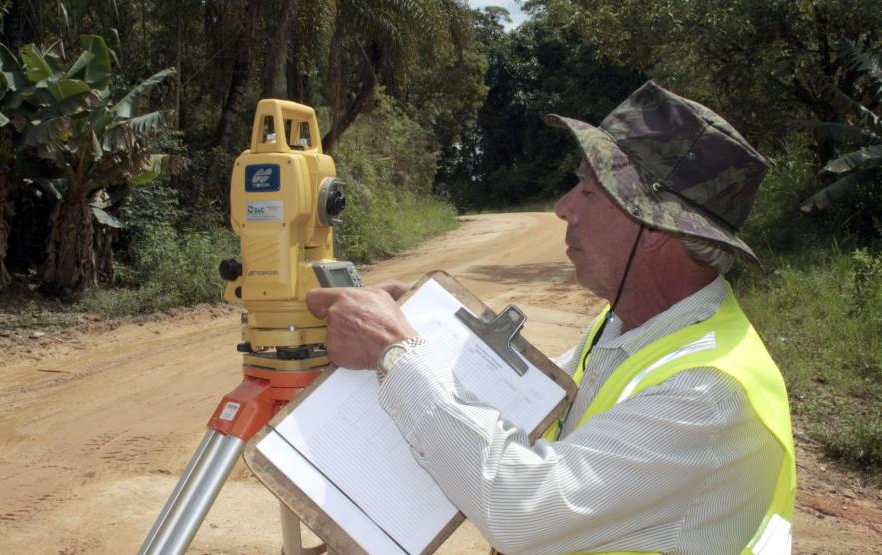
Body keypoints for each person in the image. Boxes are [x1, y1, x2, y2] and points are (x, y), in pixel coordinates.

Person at [306, 81, 795, 555]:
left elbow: (521, 509)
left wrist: (397, 351)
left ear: (654, 225)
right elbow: (529, 398)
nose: (563, 208)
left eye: (587, 190)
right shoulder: (632, 324)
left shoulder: (708, 396)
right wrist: (428, 326)